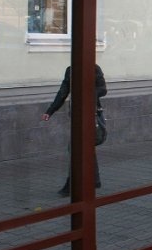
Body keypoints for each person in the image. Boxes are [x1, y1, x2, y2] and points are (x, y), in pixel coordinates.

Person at [42, 64, 107, 195]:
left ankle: (71, 184)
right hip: (76, 116)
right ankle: (95, 180)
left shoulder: (94, 68)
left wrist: (89, 93)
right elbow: (63, 92)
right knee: (84, 147)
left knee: (75, 148)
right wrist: (50, 111)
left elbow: (103, 89)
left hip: (91, 115)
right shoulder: (70, 70)